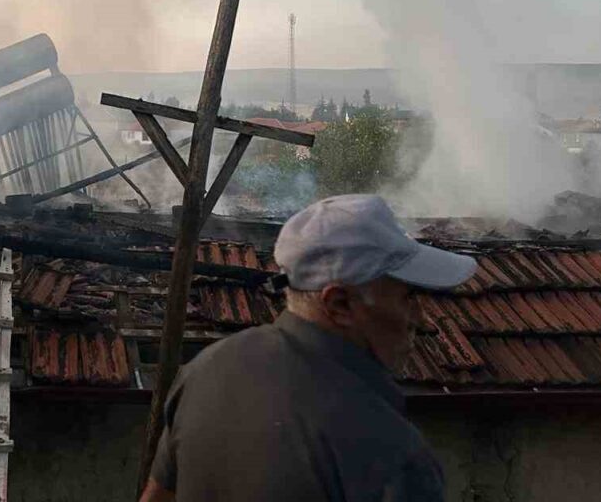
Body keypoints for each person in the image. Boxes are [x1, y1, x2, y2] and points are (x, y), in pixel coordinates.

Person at [140, 193, 477, 502]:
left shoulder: (205, 370)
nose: (420, 320)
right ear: (340, 304)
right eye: (408, 298)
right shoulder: (389, 452)